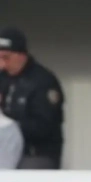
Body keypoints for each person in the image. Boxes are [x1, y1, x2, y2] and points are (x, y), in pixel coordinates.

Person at [0, 27, 64, 169]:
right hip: (5, 149)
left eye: (6, 58)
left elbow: (44, 126)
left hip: (35, 153)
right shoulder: (2, 77)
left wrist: (11, 127)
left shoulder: (43, 81)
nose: (2, 63)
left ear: (21, 55)